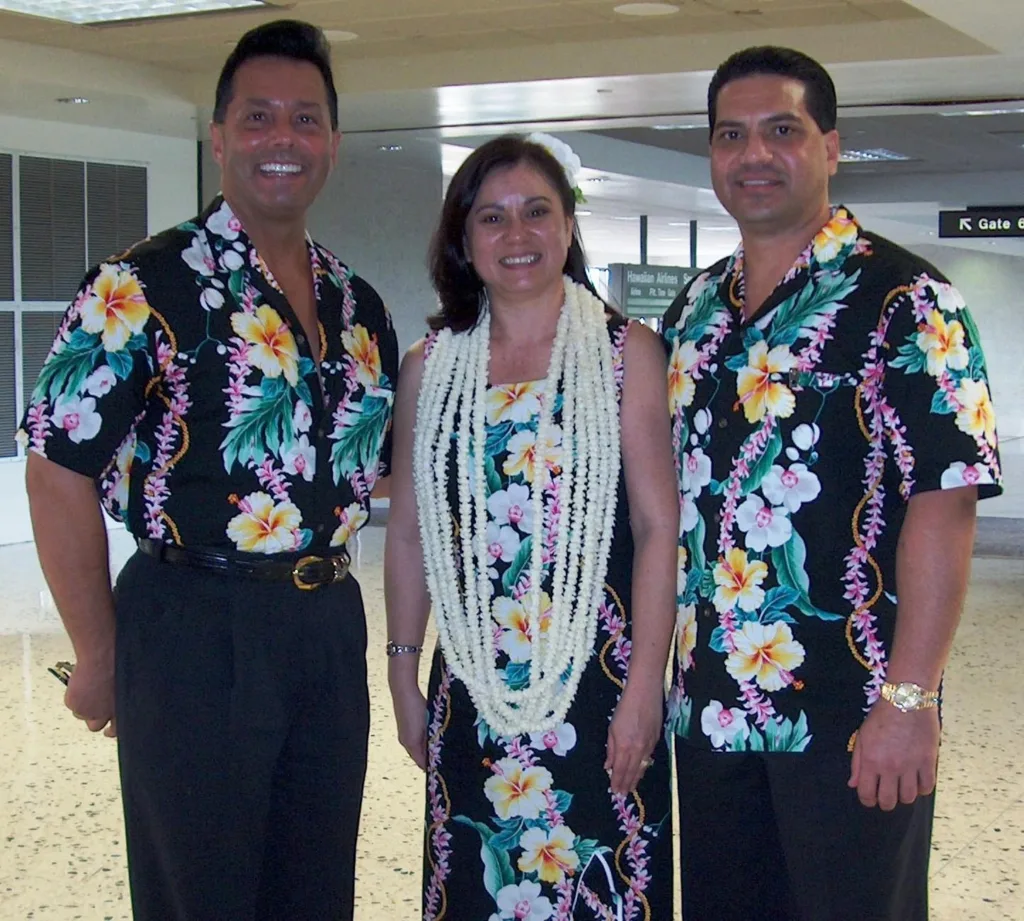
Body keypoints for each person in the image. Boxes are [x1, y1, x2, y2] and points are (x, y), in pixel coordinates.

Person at [18, 19, 398, 921]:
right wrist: (103, 652)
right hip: (193, 628)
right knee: (203, 895)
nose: (283, 140)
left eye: (305, 120)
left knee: (314, 894)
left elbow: (365, 474)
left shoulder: (356, 305)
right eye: (258, 117)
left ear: (332, 144)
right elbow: (56, 468)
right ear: (219, 137)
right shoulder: (141, 286)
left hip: (325, 626)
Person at [662, 45, 1003, 921]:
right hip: (711, 716)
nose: (755, 154)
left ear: (832, 145)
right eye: (731, 135)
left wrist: (911, 698)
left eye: (783, 130)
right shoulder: (693, 314)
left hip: (853, 715)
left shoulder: (910, 301)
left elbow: (946, 504)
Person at [384, 134, 678, 920]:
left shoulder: (625, 353)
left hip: (600, 682)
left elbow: (657, 525)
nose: (517, 236)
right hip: (474, 684)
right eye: (492, 217)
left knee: (602, 890)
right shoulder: (430, 365)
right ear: (463, 238)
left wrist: (645, 682)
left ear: (569, 226)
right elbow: (410, 532)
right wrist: (402, 671)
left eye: (537, 212)